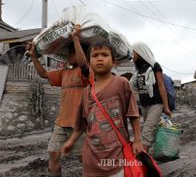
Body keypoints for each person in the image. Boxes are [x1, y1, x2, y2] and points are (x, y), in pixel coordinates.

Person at [61, 40, 144, 176]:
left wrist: (138, 140)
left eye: (104, 55)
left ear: (113, 62)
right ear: (88, 63)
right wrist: (70, 141)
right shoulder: (86, 92)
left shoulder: (121, 83)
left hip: (117, 156)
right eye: (95, 56)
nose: (100, 58)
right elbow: (82, 124)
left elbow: (133, 114)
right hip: (91, 158)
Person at [26, 24, 89, 176]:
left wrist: (75, 39)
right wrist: (34, 57)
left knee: (85, 160)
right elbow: (44, 74)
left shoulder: (86, 72)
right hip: (60, 123)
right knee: (53, 155)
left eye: (72, 52)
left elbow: (83, 64)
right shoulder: (63, 73)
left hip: (79, 125)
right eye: (69, 53)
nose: (69, 55)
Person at [129, 42, 172, 152]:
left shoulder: (154, 66)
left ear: (140, 52)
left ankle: (142, 161)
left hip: (156, 104)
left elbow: (161, 86)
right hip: (144, 105)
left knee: (146, 132)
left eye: (134, 53)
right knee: (150, 129)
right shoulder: (138, 70)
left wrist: (166, 107)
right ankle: (157, 151)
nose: (133, 56)